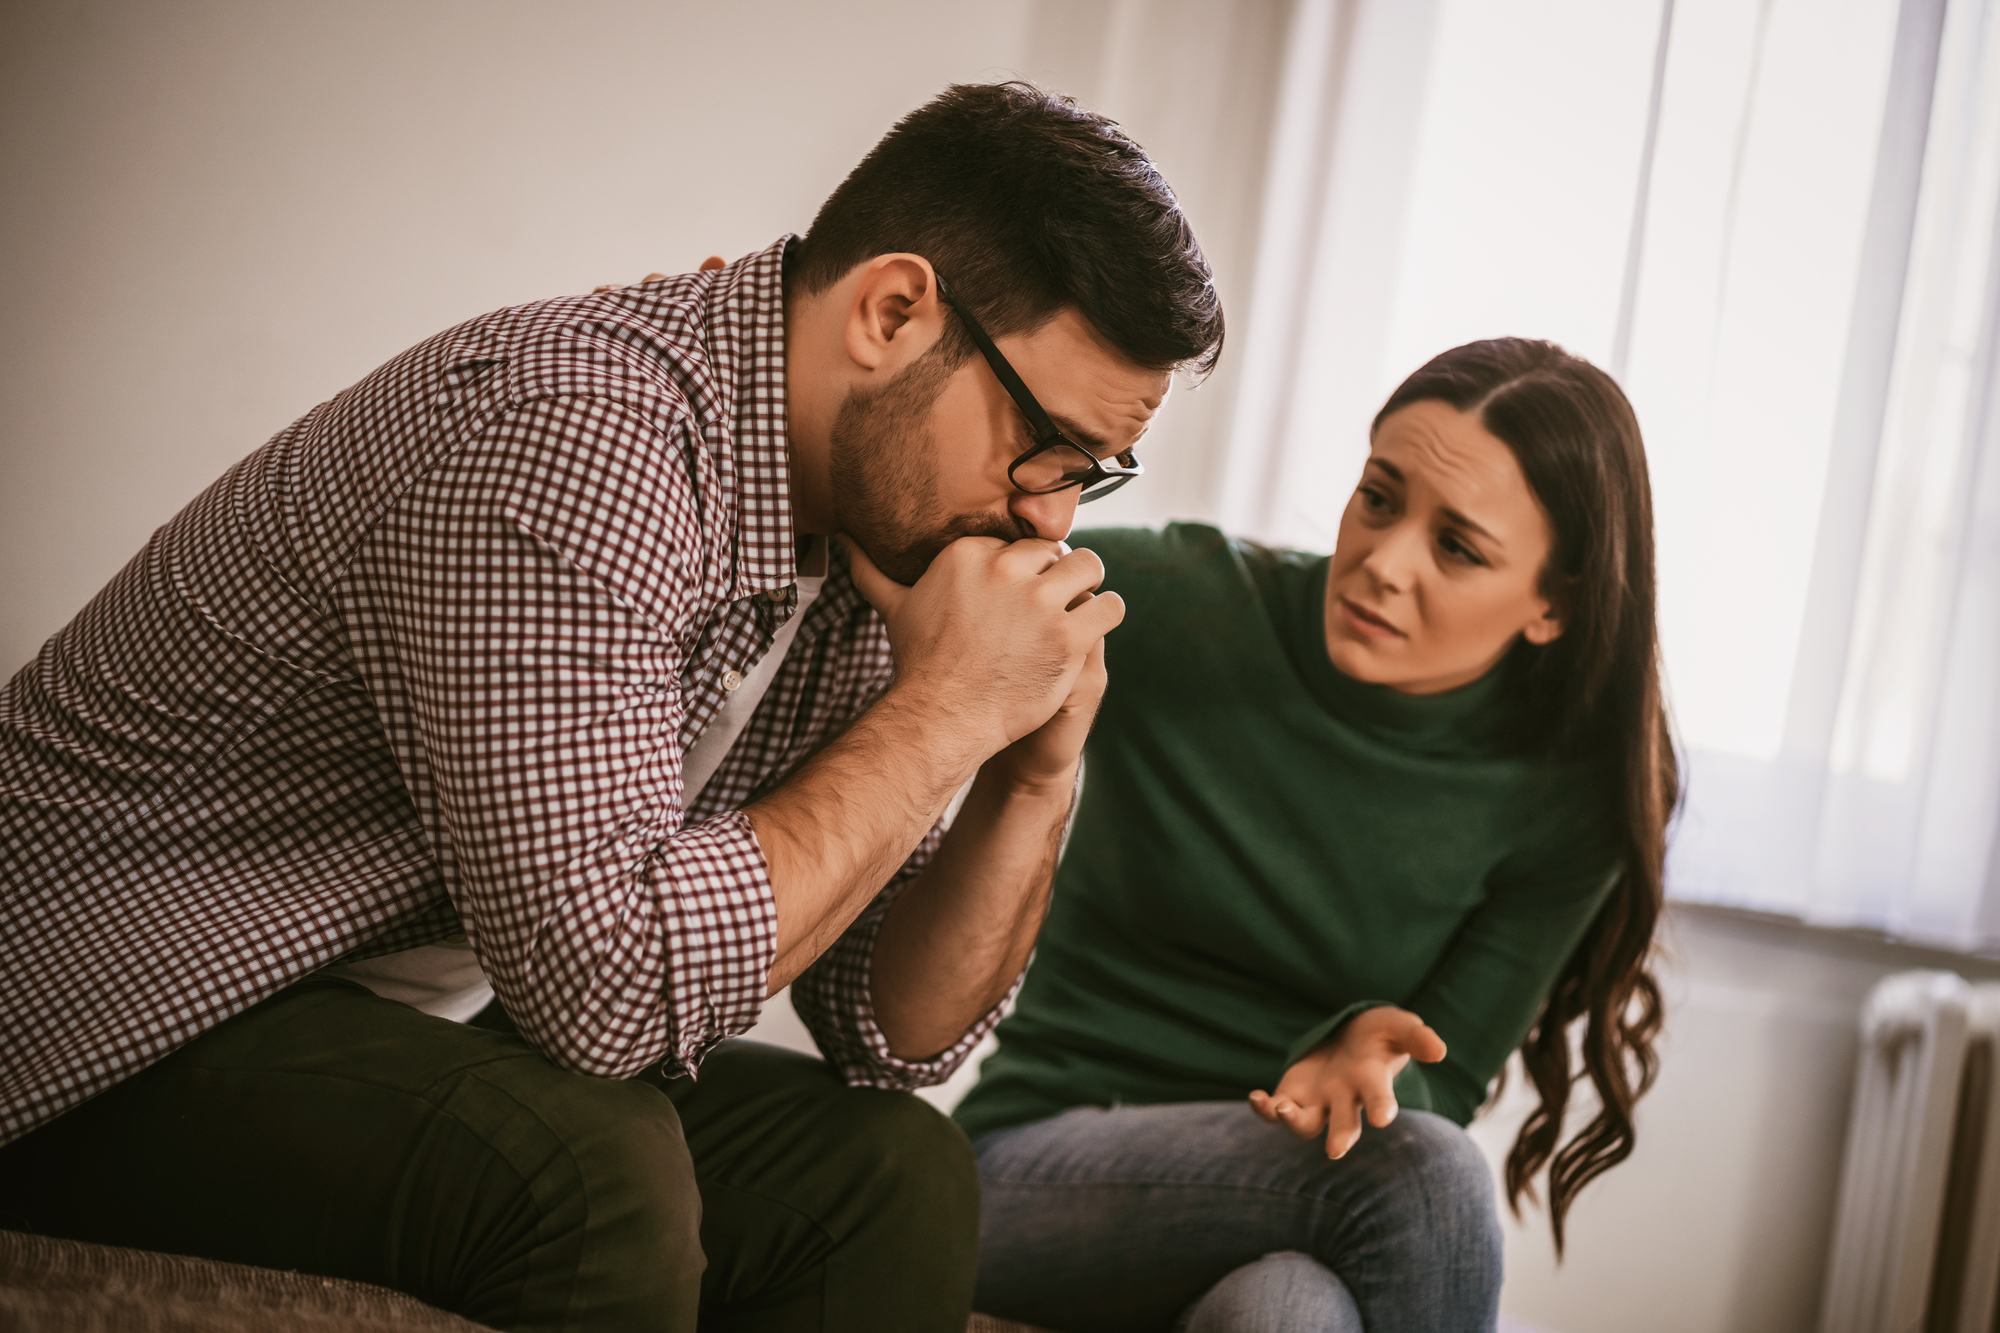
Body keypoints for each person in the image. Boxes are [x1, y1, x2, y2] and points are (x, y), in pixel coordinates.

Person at [0, 82, 1224, 1333]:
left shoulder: (878, 531)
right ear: (892, 310)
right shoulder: (583, 436)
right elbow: (607, 997)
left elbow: (886, 1033)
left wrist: (1029, 773)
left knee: (888, 1171)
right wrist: (947, 713)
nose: (1050, 517)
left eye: (1090, 476)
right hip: (119, 1018)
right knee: (589, 1166)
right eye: (1044, 445)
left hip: (412, 1028)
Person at [955, 338, 1678, 1333]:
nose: (1381, 563)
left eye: (1456, 547)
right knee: (1424, 1176)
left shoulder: (1573, 800)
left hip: (1295, 1210)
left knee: (1288, 1312)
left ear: (1553, 603)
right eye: (1377, 497)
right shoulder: (1193, 606)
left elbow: (1446, 1077)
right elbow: (958, 543)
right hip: (1038, 1167)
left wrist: (1365, 1060)